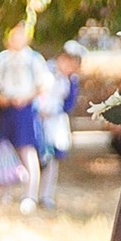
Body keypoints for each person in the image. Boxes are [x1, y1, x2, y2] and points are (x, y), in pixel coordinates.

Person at [0, 18, 51, 211]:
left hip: (25, 109)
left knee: (27, 149)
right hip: (6, 109)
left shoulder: (33, 59)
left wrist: (28, 98)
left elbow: (44, 83)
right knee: (5, 149)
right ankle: (6, 192)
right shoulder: (1, 59)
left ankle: (30, 194)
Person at [37, 45, 82, 212]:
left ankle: (46, 195)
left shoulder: (70, 80)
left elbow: (69, 103)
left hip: (55, 121)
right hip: (39, 119)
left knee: (52, 159)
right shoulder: (45, 70)